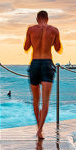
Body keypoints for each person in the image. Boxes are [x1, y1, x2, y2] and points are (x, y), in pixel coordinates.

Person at [23, 10, 62, 140]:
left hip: (35, 63)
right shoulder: (54, 30)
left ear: (37, 18)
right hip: (47, 63)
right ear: (47, 18)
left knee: (36, 100)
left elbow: (26, 47)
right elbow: (58, 48)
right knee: (45, 101)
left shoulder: (31, 29)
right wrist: (52, 40)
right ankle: (40, 130)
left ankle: (38, 127)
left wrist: (34, 40)